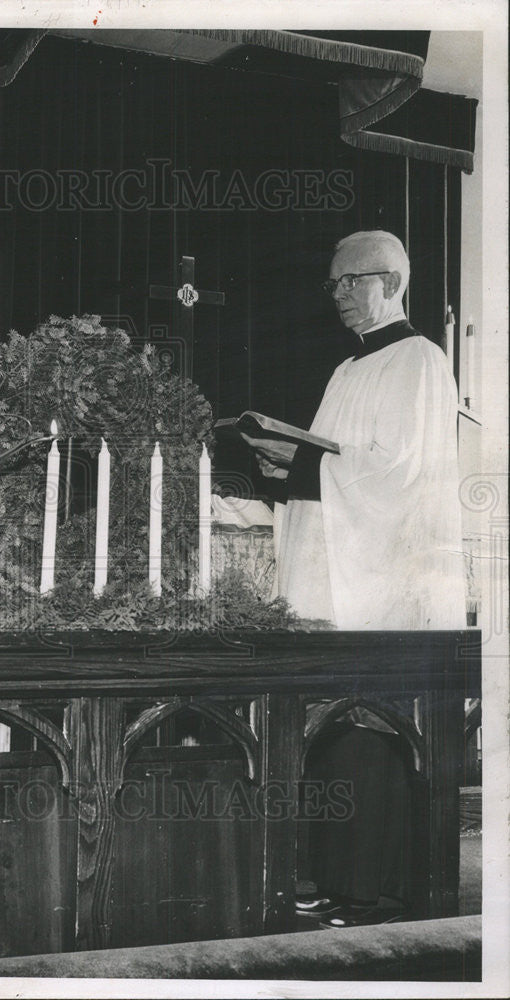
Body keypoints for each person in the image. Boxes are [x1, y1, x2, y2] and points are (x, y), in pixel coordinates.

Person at [243, 231, 465, 927]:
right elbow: (331, 465)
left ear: (391, 280)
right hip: (334, 575)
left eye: (349, 282)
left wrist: (306, 466)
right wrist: (282, 463)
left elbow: (397, 474)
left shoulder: (420, 361)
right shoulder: (347, 370)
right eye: (333, 284)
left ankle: (371, 891)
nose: (337, 294)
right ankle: (334, 881)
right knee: (333, 735)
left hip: (388, 580)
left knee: (372, 737)